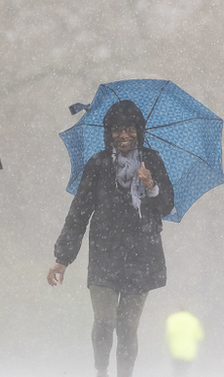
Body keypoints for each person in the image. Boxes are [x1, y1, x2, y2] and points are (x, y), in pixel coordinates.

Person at [47, 100, 175, 377]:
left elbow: (166, 207)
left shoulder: (151, 161)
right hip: (105, 254)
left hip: (142, 257)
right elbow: (79, 212)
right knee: (105, 322)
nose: (123, 136)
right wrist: (62, 259)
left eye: (129, 129)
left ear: (139, 131)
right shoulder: (98, 164)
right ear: (109, 133)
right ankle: (101, 370)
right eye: (117, 130)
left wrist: (150, 185)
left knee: (127, 328)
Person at [166, 308, 204, 376]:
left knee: (177, 371)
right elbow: (199, 336)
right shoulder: (193, 320)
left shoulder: (172, 319)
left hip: (176, 351)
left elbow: (169, 333)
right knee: (186, 371)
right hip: (189, 352)